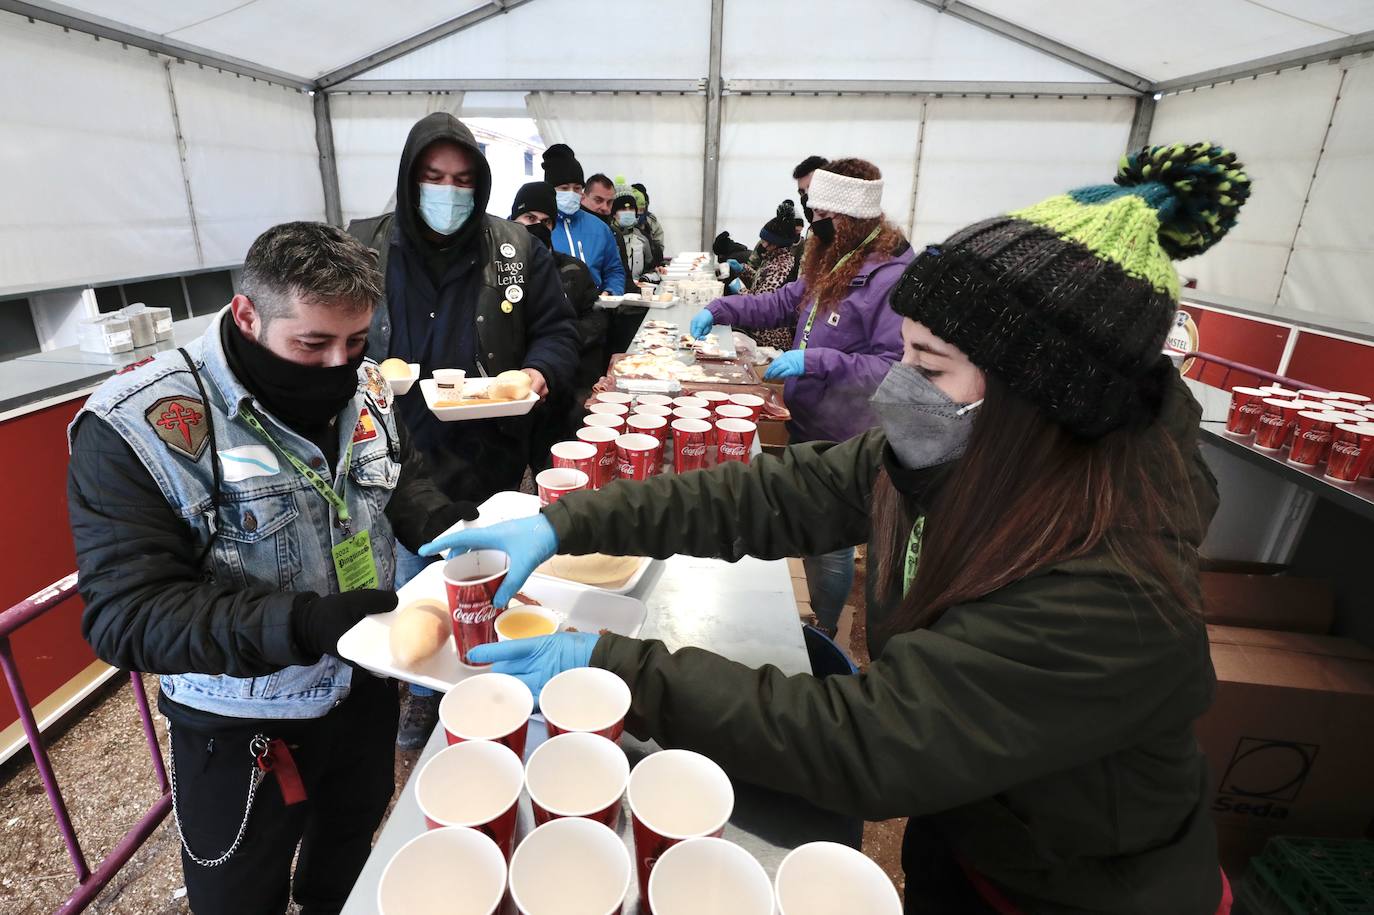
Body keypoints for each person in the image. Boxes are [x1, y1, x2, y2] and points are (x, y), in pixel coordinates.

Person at [421, 141, 1253, 915]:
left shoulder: (1109, 587)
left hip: (1082, 891)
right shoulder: (964, 457)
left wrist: (613, 665)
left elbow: (869, 740)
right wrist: (565, 520)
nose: (901, 385)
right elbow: (772, 495)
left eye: (927, 366)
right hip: (970, 825)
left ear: (1040, 398)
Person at [67, 222, 482, 915]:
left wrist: (442, 519)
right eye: (312, 344)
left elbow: (389, 478)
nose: (337, 366)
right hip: (244, 722)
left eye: (355, 342)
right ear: (246, 315)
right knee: (238, 891)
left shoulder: (366, 380)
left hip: (363, 682)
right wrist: (300, 622)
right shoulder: (137, 428)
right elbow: (125, 614)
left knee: (348, 844)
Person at [347, 113, 579, 748]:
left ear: (479, 185)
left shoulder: (514, 248)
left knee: (483, 571)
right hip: (391, 451)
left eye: (461, 179)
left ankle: (488, 677)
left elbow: (558, 332)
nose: (447, 193)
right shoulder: (364, 247)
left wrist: (537, 373)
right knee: (409, 579)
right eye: (432, 177)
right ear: (408, 178)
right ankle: (424, 691)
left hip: (485, 449)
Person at [691, 158, 912, 636]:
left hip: (847, 437)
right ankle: (814, 612)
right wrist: (721, 307)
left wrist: (815, 361)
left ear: (851, 219)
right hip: (806, 422)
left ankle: (824, 629)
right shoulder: (835, 257)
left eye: (822, 219)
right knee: (811, 531)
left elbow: (891, 368)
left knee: (829, 543)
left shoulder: (890, 277)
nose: (813, 226)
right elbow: (781, 301)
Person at [510, 181, 608, 471]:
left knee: (552, 466)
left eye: (546, 221)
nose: (538, 226)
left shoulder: (572, 270)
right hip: (507, 393)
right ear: (514, 219)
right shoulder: (494, 271)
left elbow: (597, 317)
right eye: (529, 219)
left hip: (556, 390)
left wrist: (564, 340)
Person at [543, 144, 626, 295]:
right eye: (564, 188)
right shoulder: (540, 227)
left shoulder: (599, 228)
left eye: (577, 188)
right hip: (553, 312)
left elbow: (614, 269)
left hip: (595, 310)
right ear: (550, 189)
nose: (571, 193)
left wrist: (611, 291)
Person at [732, 201, 801, 350]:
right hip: (760, 332)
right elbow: (761, 278)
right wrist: (742, 269)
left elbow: (761, 304)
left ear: (775, 243)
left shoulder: (781, 267)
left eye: (764, 241)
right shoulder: (774, 258)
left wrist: (740, 290)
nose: (761, 244)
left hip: (770, 339)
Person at [791, 154, 829, 282]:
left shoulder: (849, 237)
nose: (806, 198)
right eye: (802, 192)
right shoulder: (812, 232)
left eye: (812, 189)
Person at [632, 181, 666, 257]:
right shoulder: (623, 222)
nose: (639, 212)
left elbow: (659, 248)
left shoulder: (652, 222)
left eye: (642, 207)